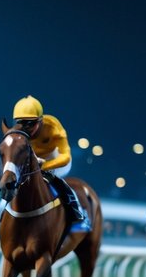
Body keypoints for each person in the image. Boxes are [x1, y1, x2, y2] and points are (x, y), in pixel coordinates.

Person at [9, 95, 90, 233]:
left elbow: (66, 157)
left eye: (31, 123)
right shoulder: (17, 131)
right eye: (21, 123)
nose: (26, 128)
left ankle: (78, 212)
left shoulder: (53, 126)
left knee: (54, 181)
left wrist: (44, 166)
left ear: (40, 120)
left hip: (56, 159)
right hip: (33, 161)